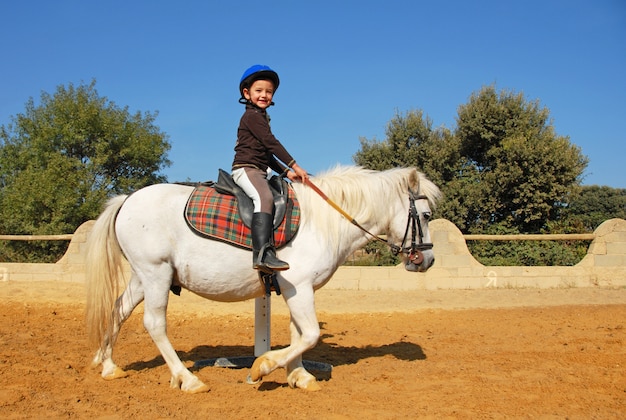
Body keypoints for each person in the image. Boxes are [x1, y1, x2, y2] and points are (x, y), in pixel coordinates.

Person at [232, 64, 309, 272]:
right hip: (246, 168)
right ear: (246, 93)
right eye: (259, 91)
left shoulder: (262, 117)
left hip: (259, 168)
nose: (264, 95)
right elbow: (271, 143)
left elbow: (267, 154)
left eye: (269, 91)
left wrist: (287, 173)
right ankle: (262, 254)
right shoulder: (251, 117)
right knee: (264, 198)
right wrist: (294, 164)